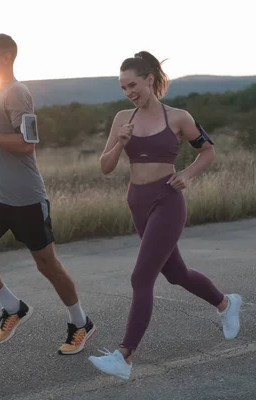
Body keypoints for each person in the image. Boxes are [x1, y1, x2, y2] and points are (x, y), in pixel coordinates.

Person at [87, 51, 242, 380]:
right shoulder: (121, 120)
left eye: (133, 84)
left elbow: (208, 150)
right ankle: (226, 303)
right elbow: (104, 166)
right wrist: (119, 144)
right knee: (177, 273)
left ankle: (124, 356)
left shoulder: (178, 118)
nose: (129, 92)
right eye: (123, 87)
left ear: (150, 80)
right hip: (137, 202)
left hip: (167, 201)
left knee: (141, 277)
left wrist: (187, 174)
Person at [0, 33, 96, 355]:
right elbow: (5, 139)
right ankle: (13, 307)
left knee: (48, 265)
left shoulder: (18, 92)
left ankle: (80, 322)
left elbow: (27, 144)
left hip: (27, 199)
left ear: (6, 57)